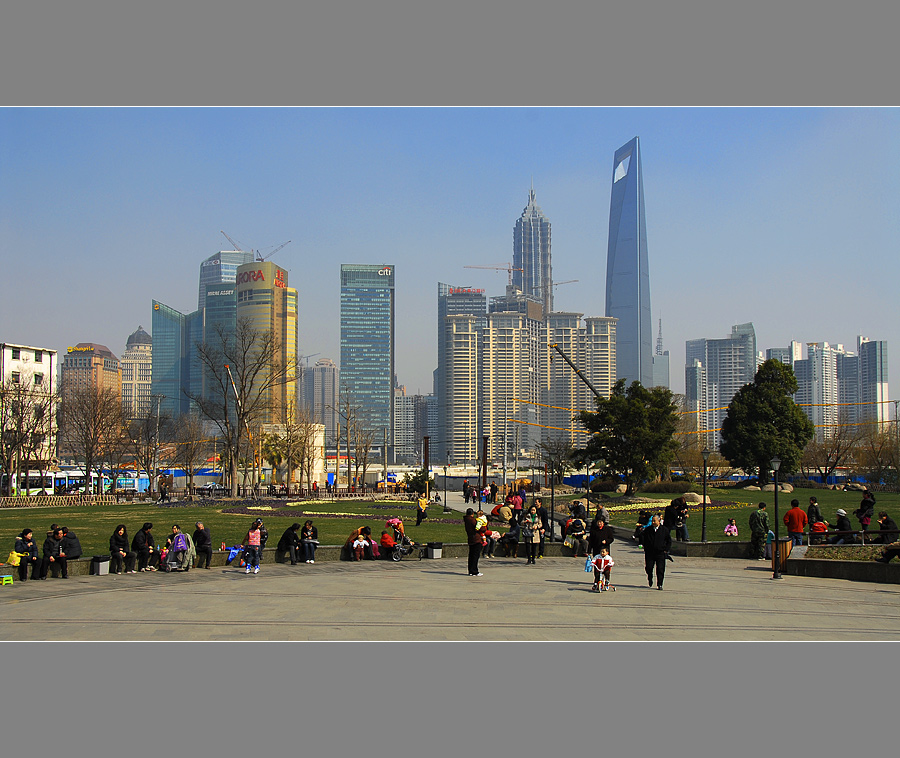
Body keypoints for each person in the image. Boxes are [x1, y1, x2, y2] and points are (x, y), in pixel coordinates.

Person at [640, 514, 672, 590]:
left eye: (655, 521)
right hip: (650, 553)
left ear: (659, 521)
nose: (653, 522)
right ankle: (650, 577)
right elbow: (642, 537)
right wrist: (644, 546)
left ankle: (660, 584)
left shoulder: (664, 530)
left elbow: (669, 541)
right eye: (652, 521)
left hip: (660, 553)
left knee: (660, 569)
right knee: (649, 567)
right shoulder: (648, 530)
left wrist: (666, 550)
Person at [464, 508, 483, 576]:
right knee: (475, 556)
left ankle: (471, 570)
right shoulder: (472, 520)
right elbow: (479, 528)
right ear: (472, 514)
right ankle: (474, 571)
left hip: (471, 539)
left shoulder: (466, 520)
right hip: (476, 539)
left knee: (471, 556)